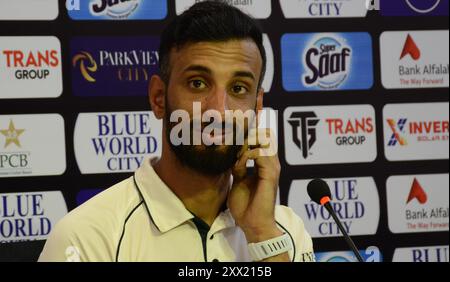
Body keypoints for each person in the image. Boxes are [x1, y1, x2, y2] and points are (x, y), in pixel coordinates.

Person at [39, 1, 314, 262]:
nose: (218, 111)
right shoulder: (87, 236)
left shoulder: (284, 231)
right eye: (197, 83)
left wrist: (262, 235)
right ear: (159, 97)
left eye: (238, 88)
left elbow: (270, 236)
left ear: (257, 106)